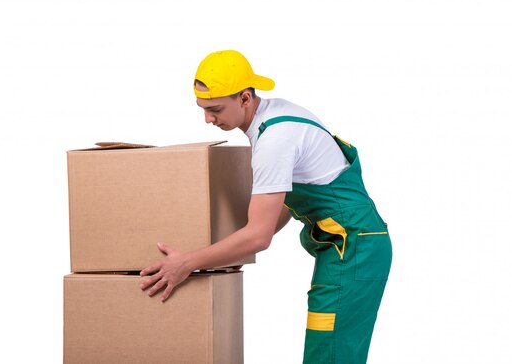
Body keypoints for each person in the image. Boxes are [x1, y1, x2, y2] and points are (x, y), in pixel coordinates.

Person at [140, 50, 392, 363]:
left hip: (354, 249)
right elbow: (282, 206)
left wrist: (187, 262)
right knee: (329, 350)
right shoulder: (274, 117)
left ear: (245, 98)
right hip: (349, 248)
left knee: (329, 355)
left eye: (215, 109)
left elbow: (260, 236)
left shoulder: (274, 140)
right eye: (202, 109)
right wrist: (226, 254)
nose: (207, 119)